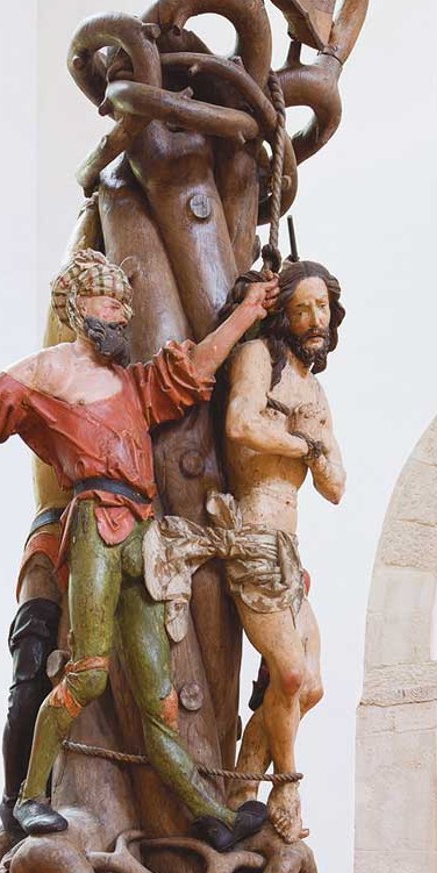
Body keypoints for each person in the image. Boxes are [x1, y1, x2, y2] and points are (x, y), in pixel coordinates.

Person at [0, 249, 280, 846]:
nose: (122, 313)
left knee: (159, 694)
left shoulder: (129, 384)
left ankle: (212, 815)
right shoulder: (43, 375)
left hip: (142, 536)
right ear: (78, 306)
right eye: (110, 300)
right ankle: (28, 798)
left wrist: (248, 312)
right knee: (88, 675)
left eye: (125, 303)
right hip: (92, 528)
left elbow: (191, 372)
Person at [145, 259, 346, 840]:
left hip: (289, 548)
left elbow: (336, 486)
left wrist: (315, 443)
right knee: (289, 674)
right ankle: (286, 789)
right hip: (252, 535)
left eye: (322, 308)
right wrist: (304, 441)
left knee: (311, 686)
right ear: (283, 314)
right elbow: (239, 424)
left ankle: (241, 787)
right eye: (302, 308)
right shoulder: (258, 357)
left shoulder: (314, 389)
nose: (314, 319)